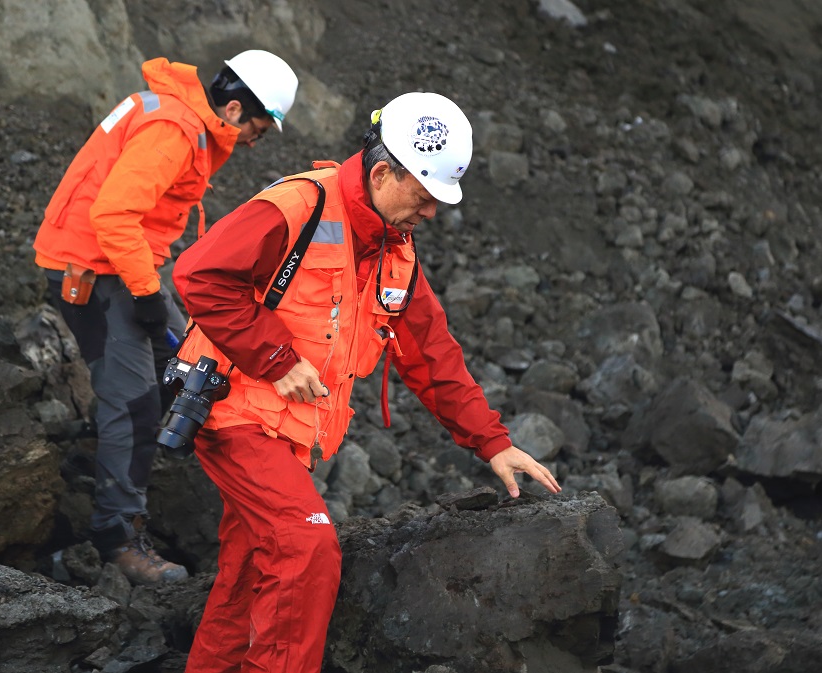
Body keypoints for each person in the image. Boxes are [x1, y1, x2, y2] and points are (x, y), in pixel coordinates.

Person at [170, 91, 563, 673]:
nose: (431, 213)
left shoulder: (394, 250)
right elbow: (199, 274)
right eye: (424, 197)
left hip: (289, 431)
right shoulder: (297, 206)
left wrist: (493, 442)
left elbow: (432, 354)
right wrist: (277, 358)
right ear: (382, 174)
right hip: (234, 411)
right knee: (306, 549)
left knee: (252, 568)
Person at [33, 50, 299, 585]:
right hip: (93, 269)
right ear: (233, 109)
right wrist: (147, 296)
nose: (254, 141)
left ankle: (104, 451)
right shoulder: (175, 129)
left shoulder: (179, 117)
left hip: (117, 262)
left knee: (187, 366)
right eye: (258, 129)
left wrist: (150, 290)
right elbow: (113, 215)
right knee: (136, 404)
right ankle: (117, 537)